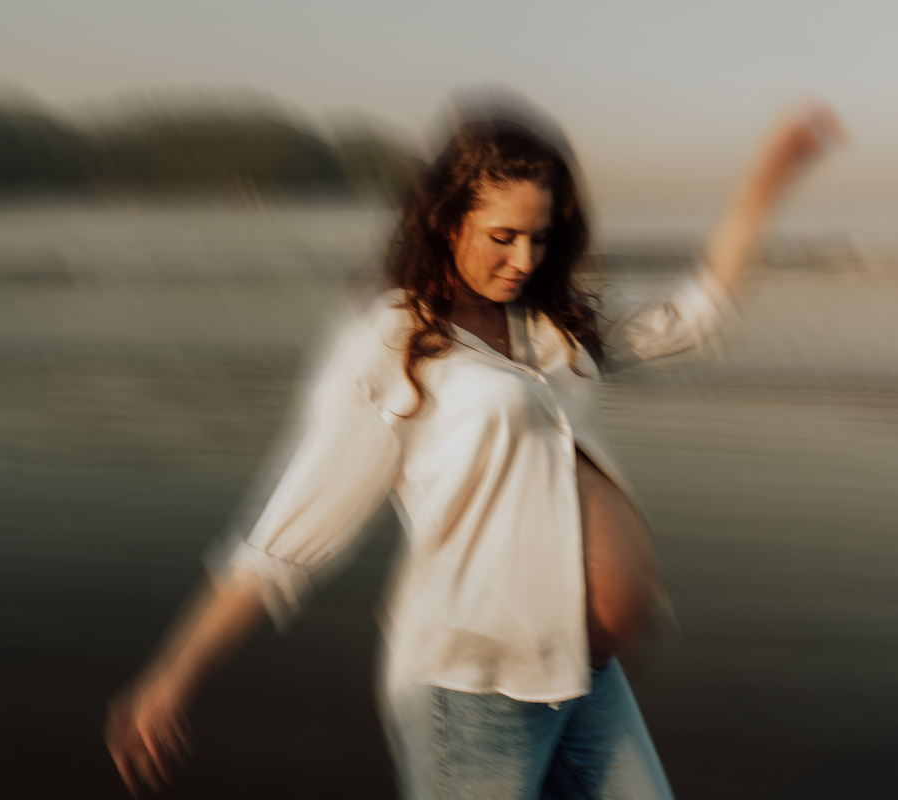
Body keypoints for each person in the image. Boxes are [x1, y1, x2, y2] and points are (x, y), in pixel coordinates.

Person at [105, 96, 843, 799]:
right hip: (473, 694)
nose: (524, 259)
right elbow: (284, 541)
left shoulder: (550, 323)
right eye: (503, 236)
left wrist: (768, 177)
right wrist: (174, 674)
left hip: (585, 678)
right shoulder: (394, 343)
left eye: (540, 237)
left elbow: (698, 314)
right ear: (447, 221)